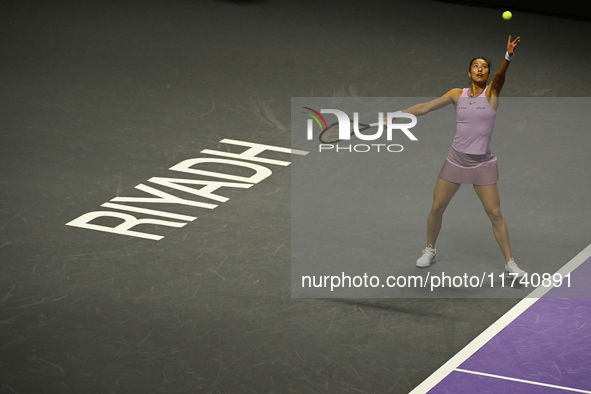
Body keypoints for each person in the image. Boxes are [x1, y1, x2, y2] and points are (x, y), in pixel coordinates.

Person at [390, 36, 525, 277]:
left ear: (488, 73)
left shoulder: (492, 92)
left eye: (485, 66)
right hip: (456, 161)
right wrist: (395, 115)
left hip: (482, 164)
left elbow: (501, 76)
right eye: (476, 65)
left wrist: (508, 57)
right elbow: (425, 107)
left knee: (495, 214)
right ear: (469, 72)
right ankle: (430, 249)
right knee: (436, 207)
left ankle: (510, 263)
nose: (480, 68)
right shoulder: (456, 94)